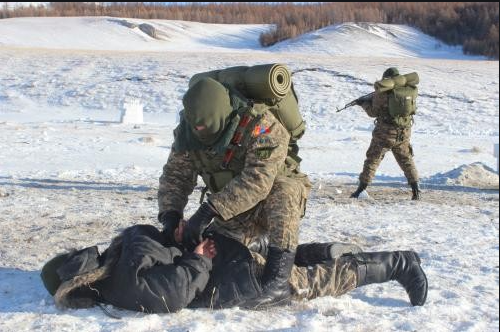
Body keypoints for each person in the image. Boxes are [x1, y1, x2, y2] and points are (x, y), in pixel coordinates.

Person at [157, 76, 311, 307]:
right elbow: (175, 176)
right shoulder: (188, 131)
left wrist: (208, 210)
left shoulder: (261, 125)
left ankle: (279, 280)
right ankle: (271, 249)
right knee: (219, 254)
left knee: (284, 190)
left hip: (271, 206)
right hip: (233, 211)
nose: (200, 132)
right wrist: (170, 216)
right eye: (196, 127)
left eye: (205, 127)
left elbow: (259, 180)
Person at [40, 224, 428, 314]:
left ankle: (399, 264)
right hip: (226, 248)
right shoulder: (125, 242)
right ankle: (320, 250)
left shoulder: (118, 286)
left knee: (314, 282)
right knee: (285, 261)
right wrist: (198, 251)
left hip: (233, 278)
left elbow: (172, 294)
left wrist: (198, 259)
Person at [351, 67, 421, 200]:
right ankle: (416, 189)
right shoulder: (407, 90)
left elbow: (373, 112)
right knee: (406, 160)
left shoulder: (382, 93)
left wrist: (363, 104)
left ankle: (360, 190)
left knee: (372, 160)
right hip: (403, 132)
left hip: (385, 134)